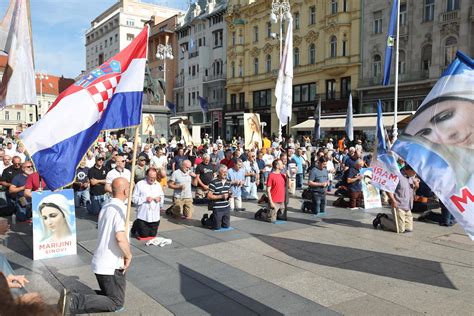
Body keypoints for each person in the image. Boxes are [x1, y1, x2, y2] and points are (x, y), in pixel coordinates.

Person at [59, 178, 132, 315]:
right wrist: (129, 255)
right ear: (126, 190)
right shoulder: (120, 209)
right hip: (112, 264)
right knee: (116, 302)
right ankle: (73, 301)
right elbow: (120, 237)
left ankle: (73, 295)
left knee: (107, 295)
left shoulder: (106, 205)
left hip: (102, 260)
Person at [373, 165, 420, 233]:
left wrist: (416, 186)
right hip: (399, 205)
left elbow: (411, 191)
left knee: (409, 228)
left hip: (408, 206)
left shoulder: (411, 178)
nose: (415, 174)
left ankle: (389, 217)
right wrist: (393, 200)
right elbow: (388, 189)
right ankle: (381, 219)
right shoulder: (397, 176)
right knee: (400, 230)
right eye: (414, 172)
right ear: (408, 170)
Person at [131, 168, 164, 239]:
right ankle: (136, 225)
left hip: (155, 216)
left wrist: (160, 199)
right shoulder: (140, 184)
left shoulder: (158, 185)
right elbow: (133, 198)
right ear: (146, 175)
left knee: (152, 235)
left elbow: (162, 196)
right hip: (143, 216)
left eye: (154, 178)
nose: (152, 179)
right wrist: (144, 199)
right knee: (144, 235)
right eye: (151, 177)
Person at [202, 165, 232, 230]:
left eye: (226, 172)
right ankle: (206, 220)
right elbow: (209, 196)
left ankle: (215, 218)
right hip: (218, 208)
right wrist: (221, 196)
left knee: (226, 226)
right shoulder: (213, 182)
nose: (225, 173)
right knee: (217, 227)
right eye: (223, 172)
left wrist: (230, 195)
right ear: (218, 172)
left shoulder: (228, 182)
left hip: (226, 207)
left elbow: (229, 192)